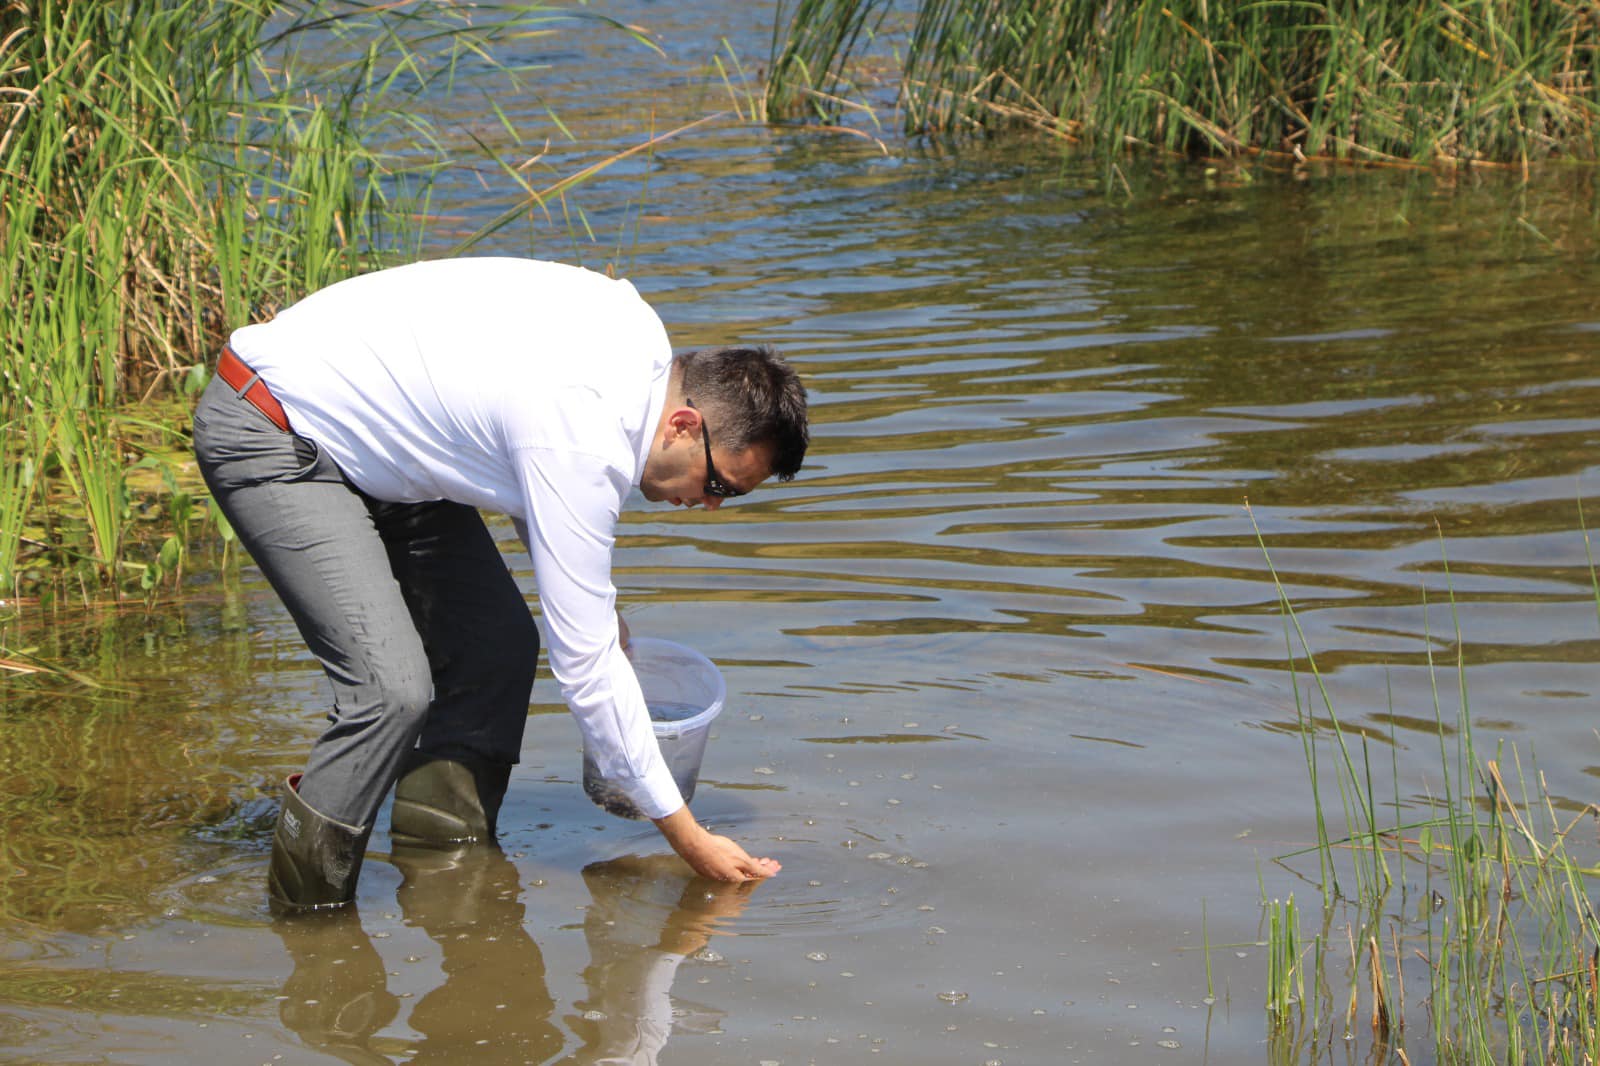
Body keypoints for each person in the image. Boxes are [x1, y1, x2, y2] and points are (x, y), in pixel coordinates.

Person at [191, 257, 807, 913]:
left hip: (390, 450)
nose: (709, 505)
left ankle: (444, 871)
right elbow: (588, 670)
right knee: (390, 691)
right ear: (683, 426)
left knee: (498, 645)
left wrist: (599, 611)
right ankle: (308, 923)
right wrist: (687, 837)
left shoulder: (637, 349)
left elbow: (526, 446)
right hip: (274, 423)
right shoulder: (589, 432)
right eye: (717, 485)